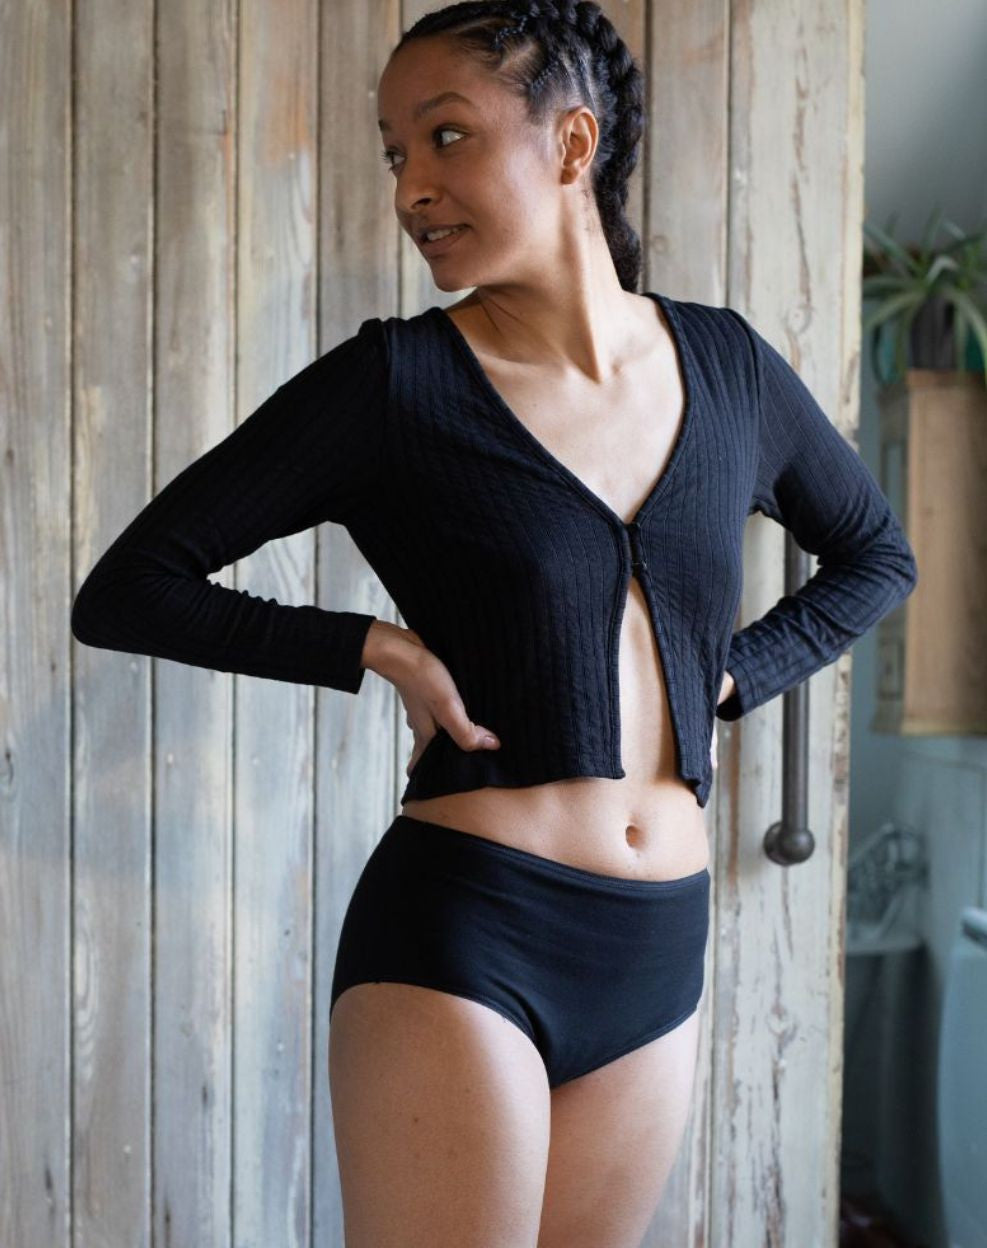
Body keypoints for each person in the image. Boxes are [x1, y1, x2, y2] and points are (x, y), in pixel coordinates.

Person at [70, 3, 918, 1245]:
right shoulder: (396, 383)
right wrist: (372, 647)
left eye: (447, 136)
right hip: (470, 931)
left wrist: (734, 674)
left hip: (655, 945)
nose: (411, 187)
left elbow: (876, 555)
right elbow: (130, 586)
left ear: (572, 144)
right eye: (395, 153)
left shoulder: (727, 366)